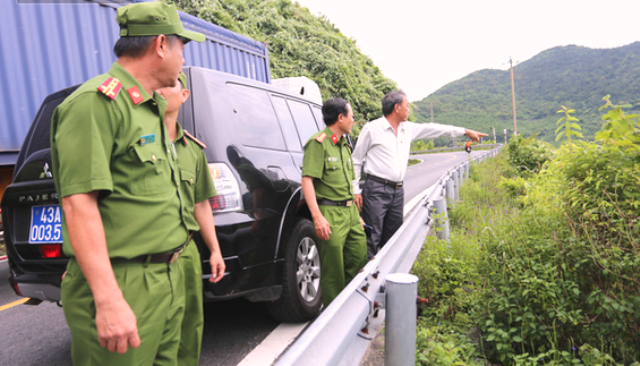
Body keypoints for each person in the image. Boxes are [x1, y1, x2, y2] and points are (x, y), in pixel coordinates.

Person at [50, 3, 205, 365]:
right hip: (124, 282)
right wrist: (108, 300)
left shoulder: (149, 109)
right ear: (162, 45)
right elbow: (79, 203)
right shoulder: (96, 103)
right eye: (183, 47)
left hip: (167, 276)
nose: (183, 59)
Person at [352, 90, 488, 258]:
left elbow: (435, 129)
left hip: (397, 191)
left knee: (393, 236)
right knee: (372, 236)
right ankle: (366, 280)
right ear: (397, 108)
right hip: (376, 189)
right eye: (407, 106)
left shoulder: (408, 129)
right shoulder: (372, 129)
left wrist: (465, 131)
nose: (409, 110)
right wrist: (355, 190)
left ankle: (387, 278)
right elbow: (356, 160)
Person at [157, 72, 225, 366]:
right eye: (157, 84)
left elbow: (201, 204)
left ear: (184, 95)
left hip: (186, 253)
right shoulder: (137, 143)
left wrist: (214, 249)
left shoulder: (193, 150)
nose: (160, 89)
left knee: (189, 330)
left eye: (169, 85)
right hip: (146, 257)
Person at [301, 98, 368, 306]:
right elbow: (307, 180)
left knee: (359, 260)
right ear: (340, 118)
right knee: (333, 272)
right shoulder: (318, 143)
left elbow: (347, 183)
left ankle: (353, 312)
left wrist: (356, 215)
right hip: (330, 214)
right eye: (351, 116)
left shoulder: (346, 145)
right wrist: (317, 217)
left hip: (350, 213)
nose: (353, 121)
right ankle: (333, 324)